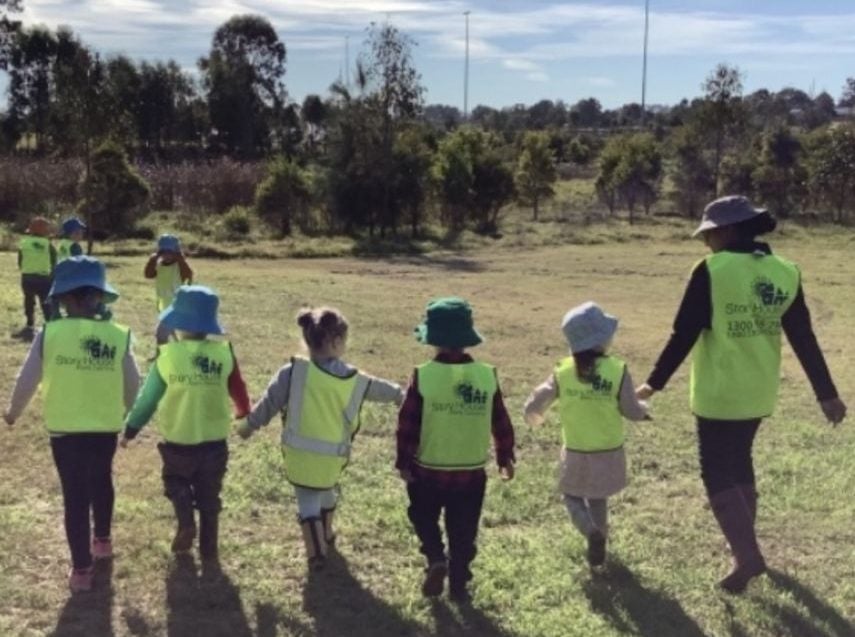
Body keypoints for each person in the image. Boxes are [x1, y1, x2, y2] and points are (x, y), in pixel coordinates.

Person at [636, 195, 847, 593]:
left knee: (715, 472)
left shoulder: (712, 271)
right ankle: (745, 550)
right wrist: (826, 394)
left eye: (709, 234)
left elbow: (684, 334)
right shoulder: (785, 271)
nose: (705, 243)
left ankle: (747, 557)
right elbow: (803, 336)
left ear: (728, 230)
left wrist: (653, 383)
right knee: (739, 463)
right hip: (758, 391)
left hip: (720, 392)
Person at [3, 256, 140, 593]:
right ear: (99, 297)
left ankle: (81, 569)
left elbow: (27, 379)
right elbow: (133, 384)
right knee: (102, 480)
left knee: (75, 496)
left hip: (65, 432)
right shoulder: (117, 335)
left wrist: (12, 412)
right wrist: (129, 412)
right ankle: (103, 541)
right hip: (105, 429)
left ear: (62, 298)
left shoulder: (50, 333)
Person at [238, 307, 404, 570]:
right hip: (333, 456)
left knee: (307, 500)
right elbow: (381, 389)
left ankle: (316, 553)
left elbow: (269, 404)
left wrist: (248, 426)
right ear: (336, 342)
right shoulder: (354, 379)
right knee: (326, 490)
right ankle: (325, 534)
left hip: (300, 453)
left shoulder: (292, 372)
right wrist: (399, 396)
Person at [397, 297, 515, 603]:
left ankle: (435, 557)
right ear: (467, 340)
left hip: (428, 470)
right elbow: (499, 419)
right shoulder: (487, 375)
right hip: (471, 472)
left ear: (432, 340)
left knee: (422, 516)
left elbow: (408, 422)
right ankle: (459, 583)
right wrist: (504, 455)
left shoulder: (423, 375)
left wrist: (403, 461)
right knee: (463, 532)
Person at [121, 285, 250, 562]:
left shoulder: (167, 357)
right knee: (210, 497)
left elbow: (148, 399)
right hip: (215, 443)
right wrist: (243, 412)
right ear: (210, 325)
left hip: (178, 442)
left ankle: (185, 522)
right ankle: (209, 549)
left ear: (176, 325)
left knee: (175, 481)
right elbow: (238, 387)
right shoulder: (224, 352)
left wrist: (131, 429)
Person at [523, 302, 648, 568]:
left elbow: (542, 394)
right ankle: (600, 536)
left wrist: (532, 410)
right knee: (598, 497)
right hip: (609, 449)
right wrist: (643, 411)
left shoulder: (563, 370)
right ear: (603, 339)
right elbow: (630, 408)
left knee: (571, 495)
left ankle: (590, 531)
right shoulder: (618, 369)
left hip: (577, 449)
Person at [144, 234, 193, 345]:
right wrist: (153, 260)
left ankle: (161, 356)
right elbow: (148, 274)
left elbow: (188, 275)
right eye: (163, 252)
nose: (167, 255)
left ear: (176, 252)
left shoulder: (179, 266)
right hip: (163, 306)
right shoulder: (159, 265)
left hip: (177, 307)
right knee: (173, 334)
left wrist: (180, 259)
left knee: (161, 335)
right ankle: (177, 350)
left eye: (170, 252)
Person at [17, 216, 56, 337]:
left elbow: (20, 259)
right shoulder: (47, 244)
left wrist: (24, 269)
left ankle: (30, 323)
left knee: (29, 300)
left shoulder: (24, 243)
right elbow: (54, 260)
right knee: (46, 302)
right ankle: (50, 323)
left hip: (27, 277)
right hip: (44, 278)